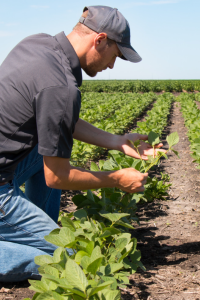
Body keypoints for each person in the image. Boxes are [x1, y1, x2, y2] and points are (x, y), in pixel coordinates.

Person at [0, 5, 163, 282]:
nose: (112, 65)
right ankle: (40, 243)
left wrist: (117, 141)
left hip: (9, 164)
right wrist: (117, 179)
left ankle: (43, 232)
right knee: (70, 263)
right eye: (116, 55)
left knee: (49, 150)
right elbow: (57, 177)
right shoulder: (61, 86)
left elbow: (58, 120)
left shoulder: (39, 44)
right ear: (100, 40)